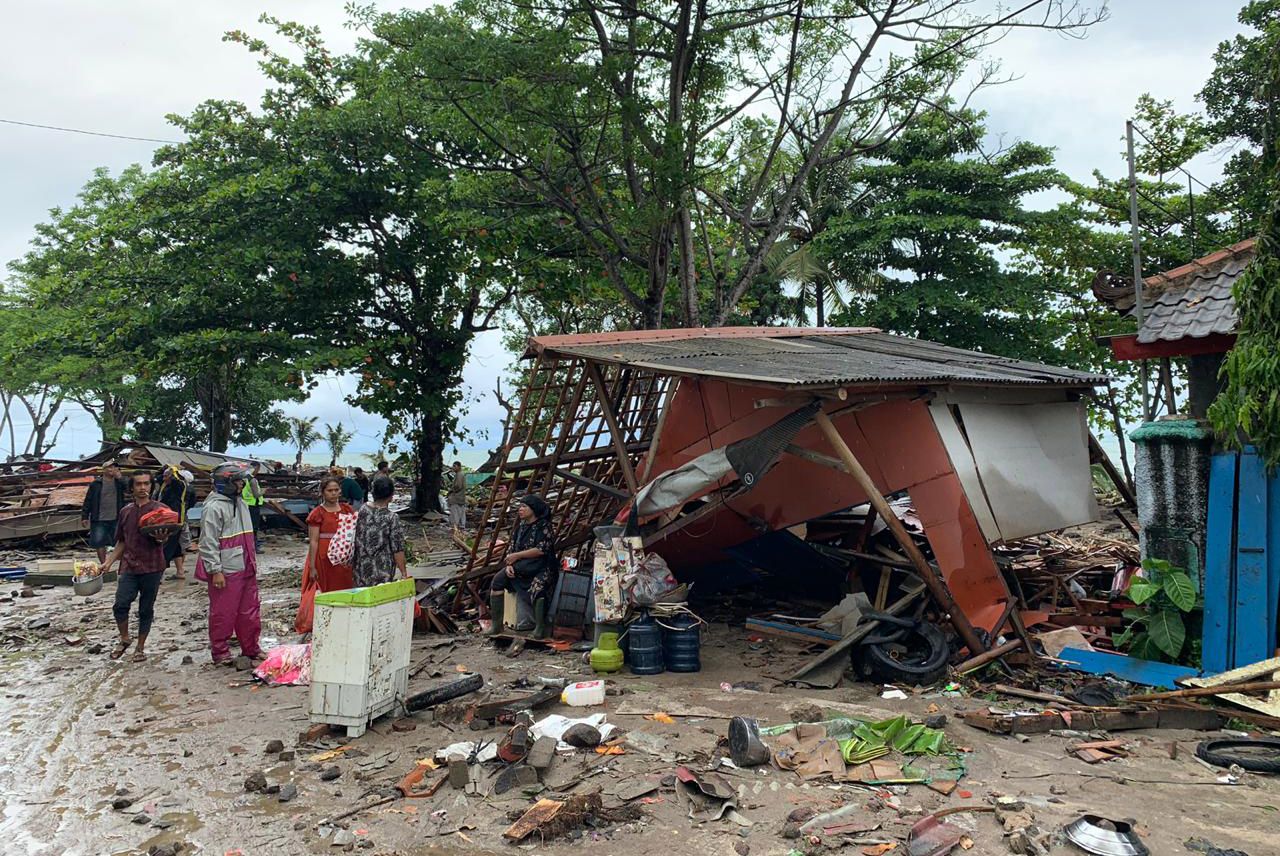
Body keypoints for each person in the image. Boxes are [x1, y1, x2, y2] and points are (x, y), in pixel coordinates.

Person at [197, 462, 263, 666]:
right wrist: (215, 570)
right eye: (238, 481)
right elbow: (207, 542)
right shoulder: (213, 507)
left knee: (250, 610)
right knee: (223, 612)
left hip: (246, 564)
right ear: (225, 483)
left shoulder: (240, 502)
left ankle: (251, 648)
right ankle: (220, 652)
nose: (241, 485)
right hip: (226, 569)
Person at [100, 471, 167, 662]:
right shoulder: (125, 511)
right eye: (138, 484)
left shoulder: (161, 510)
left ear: (151, 486)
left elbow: (166, 537)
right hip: (129, 565)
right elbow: (122, 540)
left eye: (146, 484)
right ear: (132, 488)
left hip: (152, 565)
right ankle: (125, 639)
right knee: (120, 605)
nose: (143, 488)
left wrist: (162, 538)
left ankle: (140, 647)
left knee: (146, 608)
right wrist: (108, 562)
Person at [488, 494, 555, 638]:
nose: (520, 509)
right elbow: (511, 549)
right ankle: (497, 626)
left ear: (534, 509)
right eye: (520, 506)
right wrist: (509, 565)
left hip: (541, 567)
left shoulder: (544, 526)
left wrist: (517, 556)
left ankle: (539, 628)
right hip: (520, 567)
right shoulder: (520, 527)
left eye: (524, 506)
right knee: (497, 581)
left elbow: (541, 550)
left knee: (539, 588)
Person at [351, 476, 407, 587]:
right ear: (391, 495)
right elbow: (397, 549)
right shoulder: (392, 518)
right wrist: (404, 573)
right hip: (382, 571)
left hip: (360, 567)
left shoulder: (363, 509)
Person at [305, 477, 355, 593]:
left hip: (344, 556)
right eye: (330, 490)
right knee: (327, 587)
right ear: (322, 492)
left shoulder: (347, 509)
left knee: (346, 586)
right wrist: (312, 567)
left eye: (336, 490)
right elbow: (313, 541)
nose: (333, 493)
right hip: (324, 557)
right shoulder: (317, 513)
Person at [155, 466, 196, 581]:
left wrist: (172, 469)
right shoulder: (188, 488)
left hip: (171, 520)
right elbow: (192, 503)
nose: (164, 478)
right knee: (177, 546)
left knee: (167, 547)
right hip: (180, 519)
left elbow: (161, 478)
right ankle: (180, 571)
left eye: (166, 476)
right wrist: (168, 468)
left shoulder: (178, 486)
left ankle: (158, 575)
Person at [81, 462, 127, 565]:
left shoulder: (119, 482)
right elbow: (88, 500)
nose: (113, 469)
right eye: (110, 467)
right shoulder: (96, 484)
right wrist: (84, 516)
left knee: (120, 541)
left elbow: (130, 489)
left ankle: (121, 564)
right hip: (99, 518)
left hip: (116, 518)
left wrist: (120, 478)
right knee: (99, 542)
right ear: (104, 469)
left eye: (114, 467)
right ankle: (104, 565)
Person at [242, 461, 265, 553]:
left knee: (246, 527)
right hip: (253, 505)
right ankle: (254, 548)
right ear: (256, 468)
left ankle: (246, 547)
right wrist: (263, 491)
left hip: (245, 505)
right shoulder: (253, 480)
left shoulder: (244, 478)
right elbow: (256, 494)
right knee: (254, 528)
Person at [447, 461, 467, 530]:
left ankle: (455, 526)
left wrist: (451, 490)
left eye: (454, 466)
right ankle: (461, 525)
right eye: (453, 466)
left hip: (457, 497)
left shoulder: (459, 474)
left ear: (459, 467)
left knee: (455, 512)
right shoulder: (461, 474)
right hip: (461, 497)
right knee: (461, 512)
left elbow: (458, 486)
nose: (453, 468)